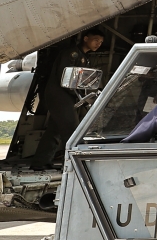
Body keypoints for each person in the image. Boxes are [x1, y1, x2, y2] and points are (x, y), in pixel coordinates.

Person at [31, 28, 105, 170]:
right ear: (86, 38)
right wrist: (79, 95)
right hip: (59, 95)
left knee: (54, 131)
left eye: (101, 42)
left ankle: (40, 163)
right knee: (72, 130)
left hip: (65, 96)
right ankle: (72, 164)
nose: (98, 44)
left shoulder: (84, 57)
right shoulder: (72, 54)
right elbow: (64, 78)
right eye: (96, 40)